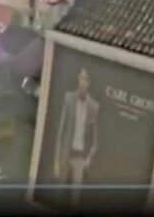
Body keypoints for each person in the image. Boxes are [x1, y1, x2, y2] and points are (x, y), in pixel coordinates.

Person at [54, 67, 99, 207]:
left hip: (81, 157)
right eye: (81, 77)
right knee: (60, 195)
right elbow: (61, 131)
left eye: (85, 79)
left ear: (89, 83)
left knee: (75, 199)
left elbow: (95, 138)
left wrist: (89, 158)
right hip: (66, 154)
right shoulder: (69, 98)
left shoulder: (93, 106)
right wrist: (56, 160)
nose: (82, 81)